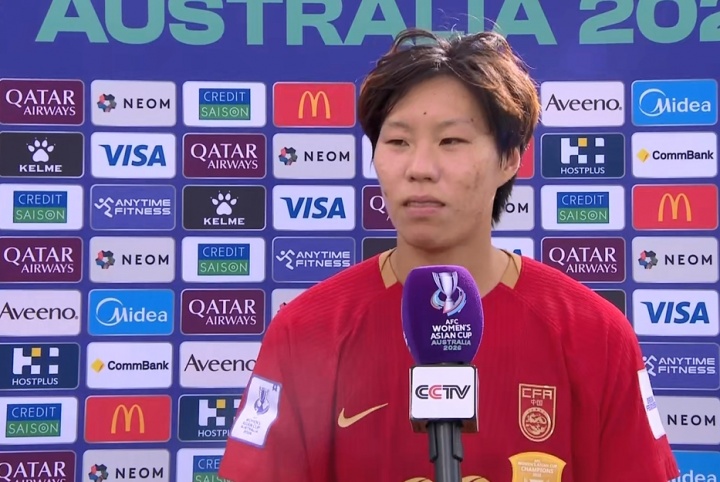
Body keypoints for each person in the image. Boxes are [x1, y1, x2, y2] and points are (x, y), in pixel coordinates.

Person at [218, 28, 680, 482]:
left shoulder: (595, 335)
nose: (420, 168)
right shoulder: (305, 332)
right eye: (398, 142)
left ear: (510, 159)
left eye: (451, 141)